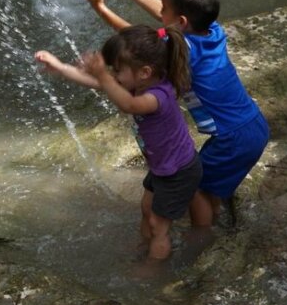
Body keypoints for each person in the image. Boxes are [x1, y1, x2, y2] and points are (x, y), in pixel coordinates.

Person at [71, 0, 270, 229]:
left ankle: (201, 239)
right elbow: (170, 22)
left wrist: (101, 9)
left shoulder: (183, 51)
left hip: (232, 137)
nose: (160, 12)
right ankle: (211, 218)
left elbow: (140, 47)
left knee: (196, 188)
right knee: (209, 188)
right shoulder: (212, 30)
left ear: (182, 22)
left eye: (165, 8)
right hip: (252, 124)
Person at [35, 24, 202, 261]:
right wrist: (60, 67)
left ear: (144, 72)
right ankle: (145, 246)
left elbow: (129, 106)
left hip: (178, 171)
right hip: (162, 167)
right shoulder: (138, 83)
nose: (114, 75)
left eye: (118, 70)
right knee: (147, 210)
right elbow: (96, 83)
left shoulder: (157, 96)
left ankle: (154, 267)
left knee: (158, 225)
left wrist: (102, 75)